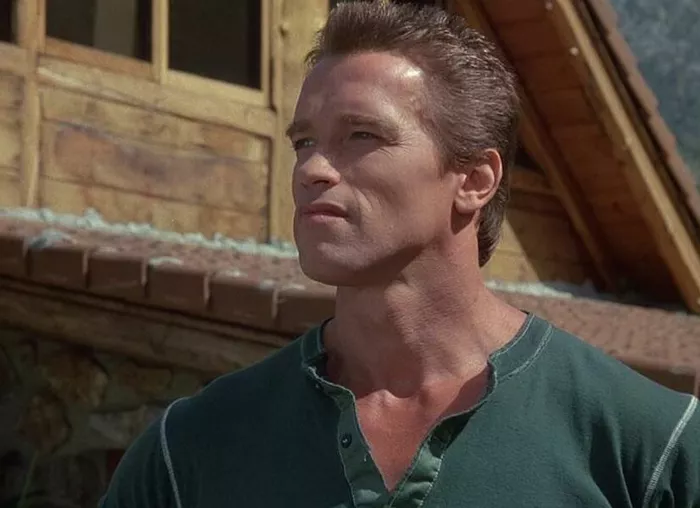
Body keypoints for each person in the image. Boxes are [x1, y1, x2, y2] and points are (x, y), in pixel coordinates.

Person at [99, 2, 700, 507]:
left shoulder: (650, 451)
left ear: (475, 180)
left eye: (362, 135)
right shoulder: (190, 451)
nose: (311, 169)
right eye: (304, 141)